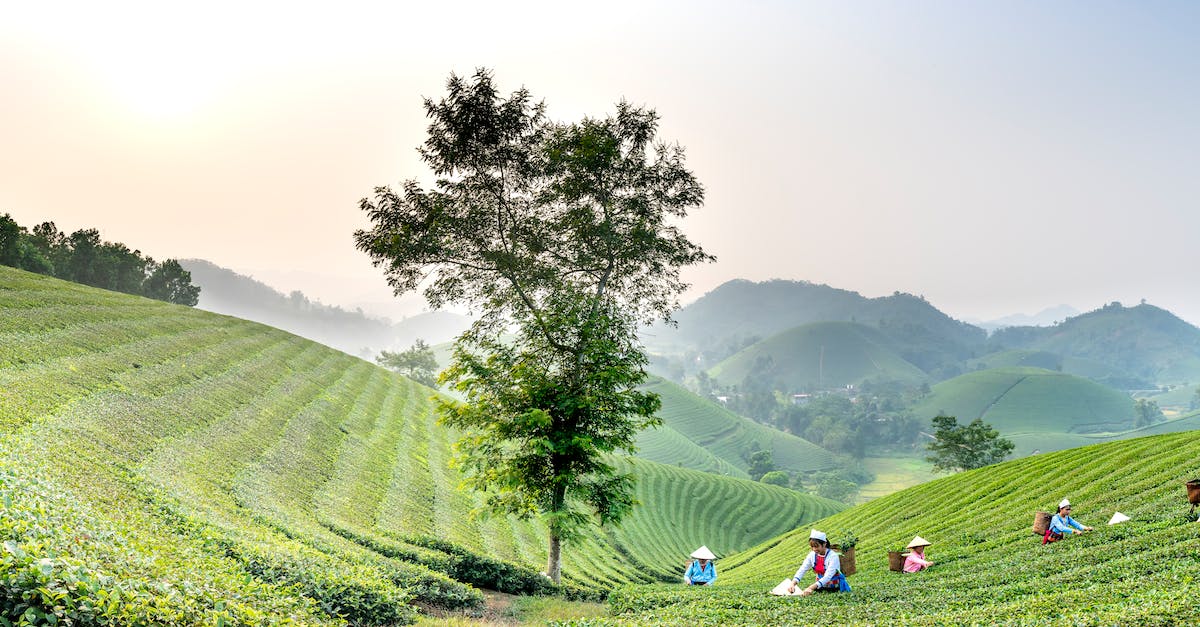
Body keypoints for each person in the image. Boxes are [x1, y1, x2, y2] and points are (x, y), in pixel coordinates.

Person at [787, 529, 850, 594]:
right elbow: (803, 569)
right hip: (819, 587)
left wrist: (810, 588)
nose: (814, 549)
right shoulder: (812, 555)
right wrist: (793, 583)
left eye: (816, 546)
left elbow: (828, 576)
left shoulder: (833, 556)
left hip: (833, 587)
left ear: (824, 544)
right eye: (812, 547)